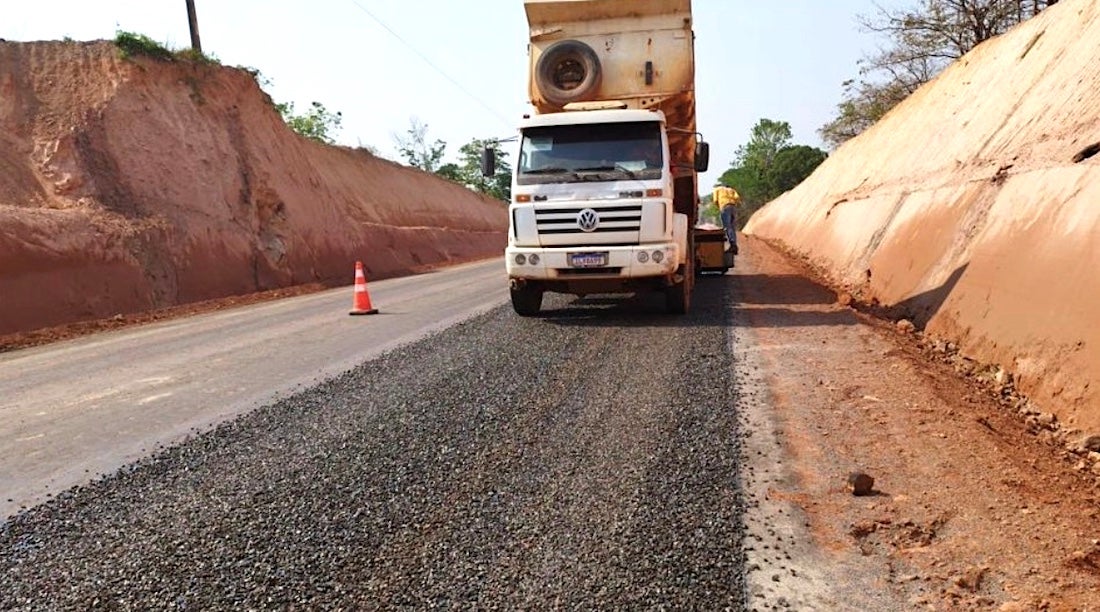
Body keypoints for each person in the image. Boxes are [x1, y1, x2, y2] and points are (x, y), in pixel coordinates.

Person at [713, 184, 741, 254]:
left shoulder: (717, 189)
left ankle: (732, 245)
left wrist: (720, 207)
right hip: (733, 207)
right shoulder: (731, 190)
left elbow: (715, 200)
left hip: (724, 206)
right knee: (732, 227)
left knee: (727, 227)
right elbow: (737, 197)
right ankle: (734, 244)